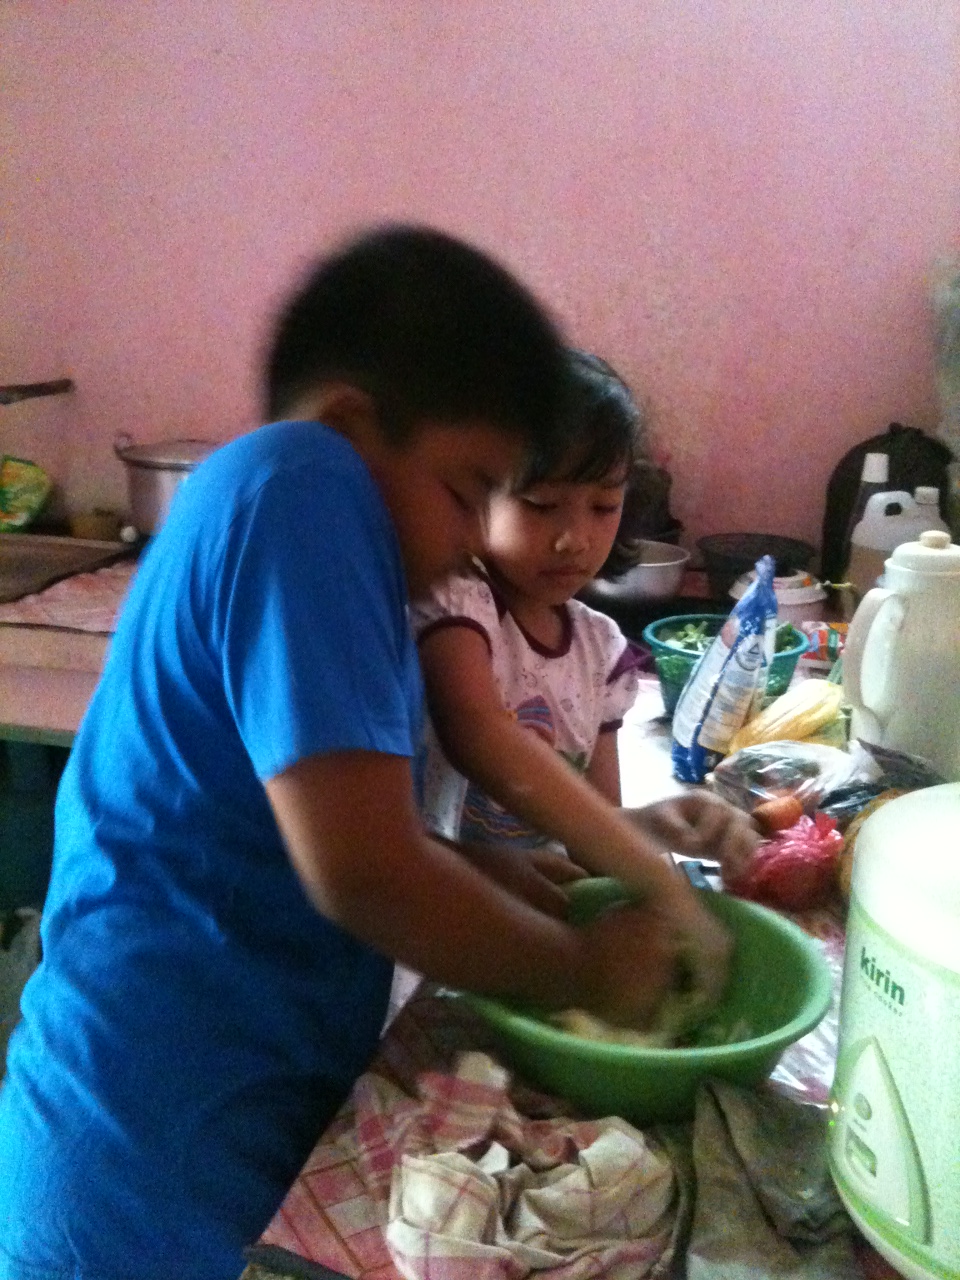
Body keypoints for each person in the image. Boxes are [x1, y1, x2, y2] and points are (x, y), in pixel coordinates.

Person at [0, 226, 757, 1280]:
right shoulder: (302, 488)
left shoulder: (331, 540)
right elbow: (363, 870)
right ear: (360, 424)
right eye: (467, 491)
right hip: (146, 1137)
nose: (469, 539)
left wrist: (491, 871)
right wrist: (585, 968)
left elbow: (318, 821)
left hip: (242, 1100)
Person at [413, 348, 755, 912]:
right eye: (541, 504)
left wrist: (658, 826)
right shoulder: (459, 603)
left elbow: (594, 836)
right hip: (445, 901)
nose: (574, 538)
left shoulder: (601, 650)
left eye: (603, 506)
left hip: (541, 903)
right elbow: (476, 734)